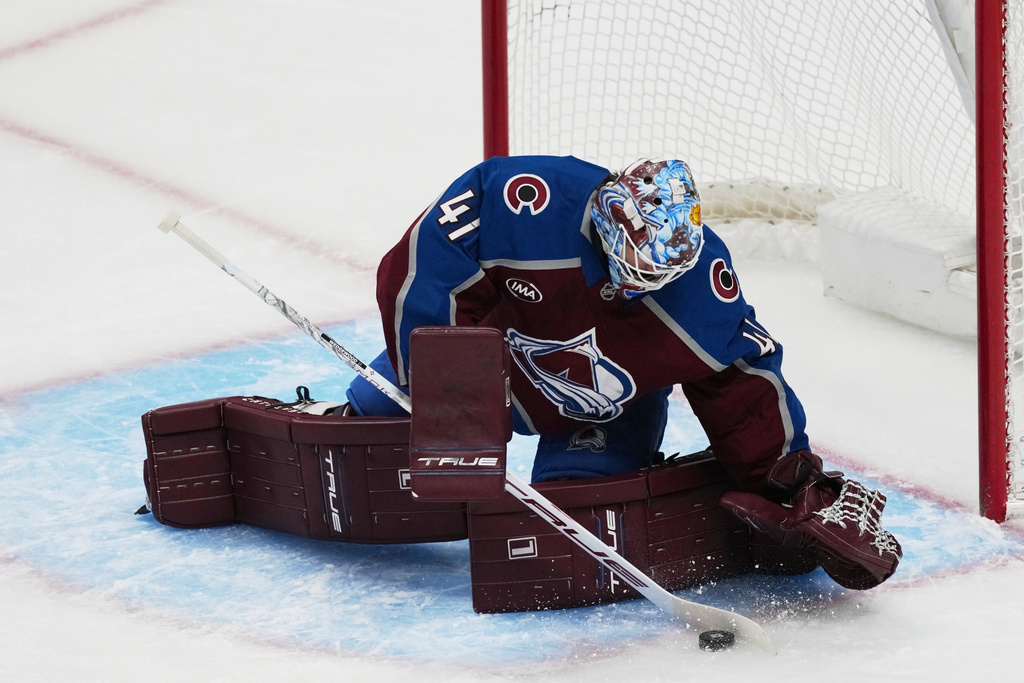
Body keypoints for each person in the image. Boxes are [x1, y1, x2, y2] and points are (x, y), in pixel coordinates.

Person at [345, 154, 902, 590]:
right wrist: (443, 385)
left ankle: (580, 471)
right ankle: (370, 410)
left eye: (657, 276)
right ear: (611, 217)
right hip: (486, 359)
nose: (639, 288)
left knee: (576, 513)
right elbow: (423, 262)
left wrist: (790, 481)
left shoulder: (701, 281)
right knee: (372, 415)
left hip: (601, 403)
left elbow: (741, 381)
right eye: (634, 269)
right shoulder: (527, 199)